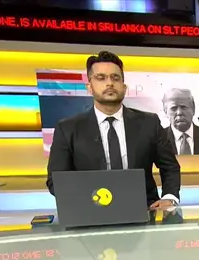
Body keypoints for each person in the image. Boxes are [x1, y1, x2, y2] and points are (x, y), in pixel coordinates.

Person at [46, 51, 181, 209]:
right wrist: (88, 201)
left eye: (115, 78)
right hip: (90, 213)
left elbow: (170, 167)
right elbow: (56, 180)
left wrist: (169, 197)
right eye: (101, 78)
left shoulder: (149, 123)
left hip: (144, 211)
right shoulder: (67, 128)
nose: (109, 83)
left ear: (124, 87)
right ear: (89, 87)